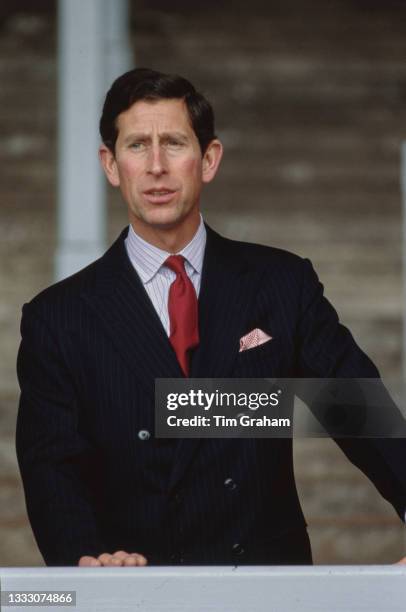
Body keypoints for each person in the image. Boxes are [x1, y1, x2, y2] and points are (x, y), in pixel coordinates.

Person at [16, 68, 406, 568]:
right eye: (137, 146)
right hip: (135, 591)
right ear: (111, 165)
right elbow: (52, 468)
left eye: (174, 143)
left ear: (209, 159)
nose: (156, 166)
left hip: (271, 590)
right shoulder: (59, 317)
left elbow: (357, 409)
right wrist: (87, 563)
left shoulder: (281, 283)